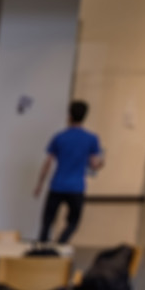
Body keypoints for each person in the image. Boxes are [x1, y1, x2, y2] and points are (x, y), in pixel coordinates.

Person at [32, 100, 103, 244]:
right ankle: (61, 243)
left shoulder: (59, 137)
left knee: (47, 221)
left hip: (57, 185)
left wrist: (39, 184)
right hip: (76, 187)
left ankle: (41, 250)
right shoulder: (91, 139)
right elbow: (95, 164)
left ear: (69, 115)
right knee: (73, 222)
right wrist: (101, 163)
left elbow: (48, 163)